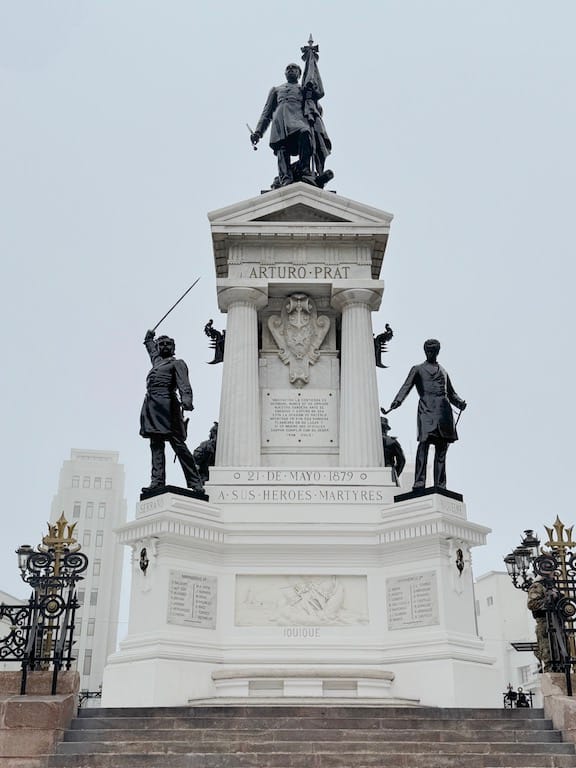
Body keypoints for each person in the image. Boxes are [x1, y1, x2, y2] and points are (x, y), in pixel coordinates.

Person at [388, 339, 466, 490]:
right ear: (425, 351)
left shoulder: (443, 371)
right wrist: (397, 401)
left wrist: (460, 402)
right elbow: (406, 387)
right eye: (428, 351)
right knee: (423, 445)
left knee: (442, 449)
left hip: (444, 413)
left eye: (433, 351)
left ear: (437, 352)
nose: (430, 353)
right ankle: (419, 482)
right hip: (426, 411)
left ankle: (440, 485)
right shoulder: (417, 369)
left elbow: (451, 393)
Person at [140, 330, 203, 493]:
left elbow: (184, 384)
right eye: (162, 344)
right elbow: (151, 351)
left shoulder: (177, 363)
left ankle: (195, 482)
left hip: (168, 406)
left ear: (173, 347)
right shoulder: (157, 363)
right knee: (156, 445)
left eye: (168, 344)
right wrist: (148, 339)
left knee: (178, 445)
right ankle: (157, 481)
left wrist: (187, 400)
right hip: (152, 405)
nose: (165, 346)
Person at [251, 63, 331, 188]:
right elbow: (266, 113)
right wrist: (258, 132)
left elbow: (316, 107)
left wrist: (311, 98)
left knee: (305, 133)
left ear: (299, 74)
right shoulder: (276, 90)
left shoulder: (304, 89)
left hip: (298, 118)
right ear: (285, 73)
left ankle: (305, 170)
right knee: (282, 149)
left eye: (294, 68)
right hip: (280, 121)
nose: (290, 70)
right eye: (288, 68)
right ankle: (285, 178)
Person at [527, 575, 559, 673]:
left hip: (558, 624)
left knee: (561, 657)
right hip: (545, 624)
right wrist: (549, 599)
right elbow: (532, 604)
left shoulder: (555, 584)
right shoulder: (538, 585)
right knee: (549, 656)